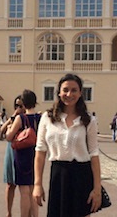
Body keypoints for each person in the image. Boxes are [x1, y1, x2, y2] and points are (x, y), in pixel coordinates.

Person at [33, 73, 102, 216]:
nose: (69, 94)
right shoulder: (48, 118)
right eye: (65, 90)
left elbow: (94, 155)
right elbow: (40, 152)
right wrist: (37, 184)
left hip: (81, 175)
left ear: (80, 93)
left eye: (74, 90)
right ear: (59, 92)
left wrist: (97, 189)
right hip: (58, 174)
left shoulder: (88, 120)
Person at [6, 90, 40, 217]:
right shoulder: (39, 117)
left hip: (22, 155)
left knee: (24, 190)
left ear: (24, 103)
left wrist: (9, 129)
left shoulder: (21, 118)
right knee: (33, 188)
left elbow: (9, 137)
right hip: (35, 154)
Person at [0, 96, 23, 217]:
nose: (18, 108)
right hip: (11, 151)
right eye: (16, 105)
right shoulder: (13, 119)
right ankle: (8, 212)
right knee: (10, 184)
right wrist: (11, 119)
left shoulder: (26, 119)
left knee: (24, 186)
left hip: (23, 152)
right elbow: (1, 131)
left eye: (21, 105)